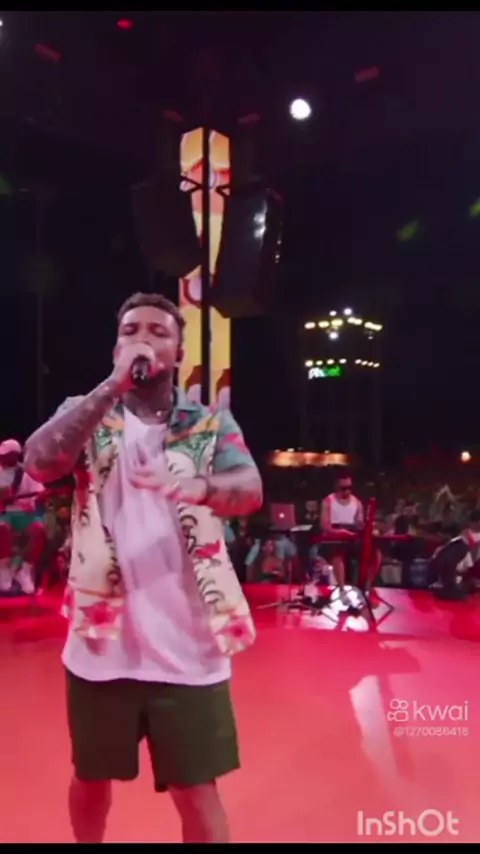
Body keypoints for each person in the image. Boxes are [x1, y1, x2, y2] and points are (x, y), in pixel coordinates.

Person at [24, 292, 263, 844]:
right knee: (90, 778)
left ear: (178, 352)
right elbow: (39, 463)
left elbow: (250, 489)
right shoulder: (85, 412)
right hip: (100, 642)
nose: (143, 339)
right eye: (131, 330)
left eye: (158, 331)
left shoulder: (210, 424)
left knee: (196, 790)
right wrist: (110, 387)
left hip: (189, 645)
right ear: (116, 349)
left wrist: (198, 485)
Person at [0, 438, 46, 594]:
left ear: (15, 455)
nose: (2, 458)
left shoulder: (26, 473)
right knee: (2, 527)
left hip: (23, 513)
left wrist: (36, 498)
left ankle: (24, 570)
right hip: (2, 514)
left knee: (39, 529)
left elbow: (40, 493)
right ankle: (4, 570)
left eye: (6, 455)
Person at [320, 471, 364, 603]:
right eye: (344, 488)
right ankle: (342, 589)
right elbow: (325, 526)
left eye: (349, 488)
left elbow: (359, 523)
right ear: (337, 487)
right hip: (334, 537)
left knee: (374, 553)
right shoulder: (328, 501)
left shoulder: (357, 502)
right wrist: (340, 532)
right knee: (337, 554)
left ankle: (366, 588)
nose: (347, 491)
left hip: (352, 536)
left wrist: (362, 524)